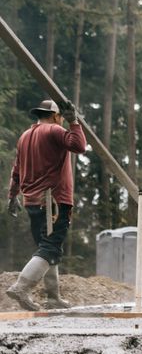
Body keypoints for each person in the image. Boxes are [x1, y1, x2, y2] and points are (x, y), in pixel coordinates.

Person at [6, 100, 86, 311]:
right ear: (55, 116)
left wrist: (12, 196)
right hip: (54, 201)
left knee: (49, 249)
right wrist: (74, 122)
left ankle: (53, 297)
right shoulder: (54, 130)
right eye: (61, 117)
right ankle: (21, 287)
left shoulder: (24, 137)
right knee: (50, 247)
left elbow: (16, 171)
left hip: (33, 202)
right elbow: (79, 146)